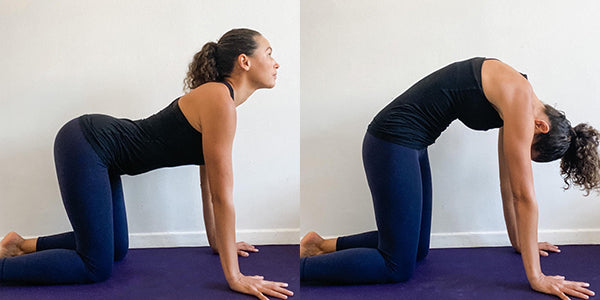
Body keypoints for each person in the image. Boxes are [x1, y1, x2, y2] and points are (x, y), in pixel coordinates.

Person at [0, 28, 293, 300]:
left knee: (116, 249)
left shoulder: (219, 98)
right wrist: (235, 276)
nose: (275, 62)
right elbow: (222, 197)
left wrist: (217, 243)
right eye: (268, 53)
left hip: (103, 153)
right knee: (95, 267)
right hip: (87, 143)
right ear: (244, 61)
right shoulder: (219, 99)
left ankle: (19, 245)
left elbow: (208, 183)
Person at [300, 57, 599, 300]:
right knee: (397, 266)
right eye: (530, 149)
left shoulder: (518, 96)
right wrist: (537, 277)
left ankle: (321, 244)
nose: (523, 152)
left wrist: (520, 242)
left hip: (411, 145)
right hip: (390, 141)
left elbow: (509, 183)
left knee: (417, 249)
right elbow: (525, 196)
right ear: (540, 127)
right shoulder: (520, 98)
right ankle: (301, 266)